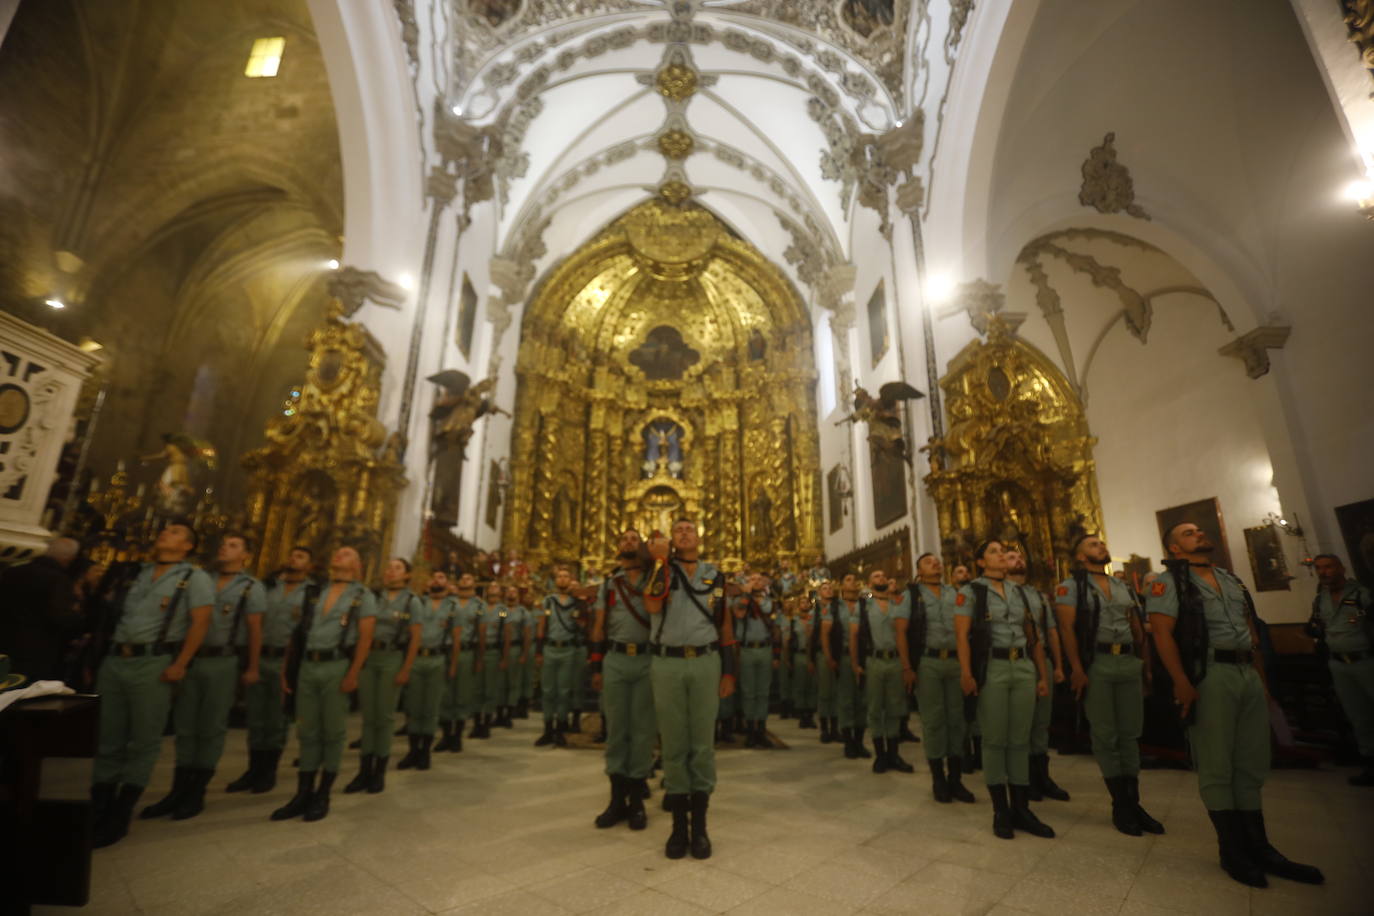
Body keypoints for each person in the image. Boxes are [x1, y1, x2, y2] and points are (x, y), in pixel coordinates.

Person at [1148, 522, 1322, 888]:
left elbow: (1251, 633)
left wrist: (1261, 679)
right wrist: (1181, 683)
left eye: (1198, 529)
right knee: (1216, 763)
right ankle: (1232, 850)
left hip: (1245, 672)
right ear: (1174, 548)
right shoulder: (1168, 582)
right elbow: (1162, 634)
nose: (1198, 533)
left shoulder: (1230, 579)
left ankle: (1261, 847)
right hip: (1210, 674)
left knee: (1250, 762)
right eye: (1188, 532)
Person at [90, 520, 215, 848]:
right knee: (108, 737)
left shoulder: (193, 578)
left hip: (154, 663)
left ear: (188, 545)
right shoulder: (136, 573)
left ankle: (120, 812)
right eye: (165, 530)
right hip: (116, 660)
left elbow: (200, 623)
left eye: (174, 532)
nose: (164, 533)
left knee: (143, 739)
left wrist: (180, 663)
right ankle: (98, 806)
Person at [142, 533, 265, 822]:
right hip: (192, 659)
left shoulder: (250, 587)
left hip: (222, 661)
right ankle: (177, 789)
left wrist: (253, 667)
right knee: (185, 725)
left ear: (245, 555)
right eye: (223, 543)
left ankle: (196, 791)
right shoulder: (199, 579)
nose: (224, 547)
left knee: (210, 726)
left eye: (233, 545)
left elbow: (255, 629)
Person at [1055, 534, 1162, 835]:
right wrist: (1076, 668)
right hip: (1098, 663)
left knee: (1130, 734)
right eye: (1091, 544)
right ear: (1079, 556)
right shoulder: (1070, 588)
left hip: (1128, 661)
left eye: (1101, 543)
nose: (1100, 547)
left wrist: (1146, 666)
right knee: (1106, 735)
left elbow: (1136, 625)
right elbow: (1066, 630)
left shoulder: (1122, 585)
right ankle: (1120, 805)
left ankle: (1134, 802)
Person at [644, 520, 736, 860]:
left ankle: (700, 827)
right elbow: (652, 605)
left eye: (689, 529)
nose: (683, 533)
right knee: (674, 744)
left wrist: (728, 669)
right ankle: (678, 828)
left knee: (702, 745)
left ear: (699, 537)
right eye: (677, 529)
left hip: (705, 662)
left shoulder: (714, 577)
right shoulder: (661, 572)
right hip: (667, 663)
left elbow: (721, 618)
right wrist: (658, 561)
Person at [956, 539, 1053, 840]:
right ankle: (1001, 810)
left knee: (1019, 739)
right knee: (996, 739)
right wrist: (967, 673)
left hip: (1022, 666)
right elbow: (961, 635)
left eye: (1002, 551)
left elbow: (1032, 635)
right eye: (994, 552)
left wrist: (1040, 675)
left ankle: (1022, 808)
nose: (1001, 556)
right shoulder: (970, 591)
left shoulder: (1021, 593)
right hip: (993, 667)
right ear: (982, 562)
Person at [272, 547, 377, 823]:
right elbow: (297, 634)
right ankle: (301, 794)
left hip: (337, 665)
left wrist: (353, 673)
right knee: (307, 730)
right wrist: (287, 670)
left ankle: (323, 794)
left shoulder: (362, 596)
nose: (339, 554)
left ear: (357, 564)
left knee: (332, 731)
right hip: (308, 665)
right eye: (338, 552)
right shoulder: (314, 592)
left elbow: (365, 638)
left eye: (347, 553)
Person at [228, 545, 315, 794]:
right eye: (292, 554)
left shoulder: (310, 593)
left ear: (309, 566)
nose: (293, 558)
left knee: (277, 718)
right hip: (260, 656)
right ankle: (252, 769)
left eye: (300, 556)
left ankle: (269, 771)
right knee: (255, 717)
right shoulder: (266, 587)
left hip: (284, 661)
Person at [589, 528, 654, 830]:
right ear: (617, 547)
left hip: (646, 660)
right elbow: (599, 627)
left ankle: (637, 801)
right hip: (615, 659)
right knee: (616, 729)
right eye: (624, 539)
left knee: (641, 731)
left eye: (634, 539)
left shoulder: (654, 580)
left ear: (641, 547)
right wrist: (595, 666)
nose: (629, 542)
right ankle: (616, 799)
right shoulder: (610, 584)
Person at [345, 558, 422, 794]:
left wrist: (406, 668)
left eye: (397, 568)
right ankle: (363, 770)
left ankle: (379, 771)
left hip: (392, 658)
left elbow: (415, 638)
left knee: (385, 717)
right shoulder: (372, 597)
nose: (390, 571)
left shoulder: (412, 601)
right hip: (370, 658)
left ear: (407, 575)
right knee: (369, 716)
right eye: (388, 566)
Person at [908, 553, 975, 803]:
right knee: (935, 719)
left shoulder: (955, 592)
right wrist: (907, 667)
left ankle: (956, 779)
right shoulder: (913, 595)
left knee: (957, 719)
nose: (935, 563)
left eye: (937, 560)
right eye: (928, 562)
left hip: (956, 661)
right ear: (919, 571)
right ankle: (939, 779)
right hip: (929, 662)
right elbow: (902, 631)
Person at [1006, 549, 1069, 803]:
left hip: (1043, 661)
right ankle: (1024, 778)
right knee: (1021, 724)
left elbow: (1051, 632)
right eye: (1011, 557)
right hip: (1016, 662)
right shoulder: (1000, 594)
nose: (1018, 560)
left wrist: (1058, 666)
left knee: (1041, 723)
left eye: (1021, 557)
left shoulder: (1038, 596)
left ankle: (1042, 776)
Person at [1308, 554, 1374, 785]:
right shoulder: (1320, 599)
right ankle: (1370, 763)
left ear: (1341, 568)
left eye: (1328, 567)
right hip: (1339, 664)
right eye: (1318, 568)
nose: (1323, 572)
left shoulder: (1361, 594)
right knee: (1359, 716)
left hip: (1366, 660)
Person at [849, 569, 916, 774]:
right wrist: (855, 664)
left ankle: (894, 754)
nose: (881, 578)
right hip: (874, 661)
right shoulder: (863, 605)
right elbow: (853, 635)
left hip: (895, 660)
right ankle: (880, 755)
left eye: (883, 576)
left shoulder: (898, 602)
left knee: (895, 708)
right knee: (876, 708)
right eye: (876, 576)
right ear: (869, 583)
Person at [0, 537, 82, 682]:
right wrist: (76, 613)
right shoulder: (59, 581)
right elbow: (59, 616)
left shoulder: (13, 571)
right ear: (69, 558)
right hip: (34, 652)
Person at [401, 568, 455, 770]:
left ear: (449, 584)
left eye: (441, 577)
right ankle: (414, 749)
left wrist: (504, 615)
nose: (436, 580)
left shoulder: (458, 606)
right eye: (434, 576)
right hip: (417, 657)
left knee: (442, 704)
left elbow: (492, 621)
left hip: (442, 657)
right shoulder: (417, 603)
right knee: (414, 706)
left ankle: (452, 737)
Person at [824, 572, 870, 759]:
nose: (853, 584)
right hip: (843, 658)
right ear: (841, 586)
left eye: (855, 580)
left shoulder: (865, 605)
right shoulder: (834, 607)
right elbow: (825, 634)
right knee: (846, 700)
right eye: (848, 580)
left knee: (862, 700)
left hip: (864, 658)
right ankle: (848, 742)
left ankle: (859, 741)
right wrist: (829, 657)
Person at [535, 568, 582, 746]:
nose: (562, 579)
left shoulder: (576, 602)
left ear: (571, 580)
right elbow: (541, 626)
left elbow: (581, 624)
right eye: (559, 576)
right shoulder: (547, 602)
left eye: (566, 576)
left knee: (563, 691)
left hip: (568, 649)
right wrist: (539, 652)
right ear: (555, 580)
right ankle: (548, 728)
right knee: (548, 691)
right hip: (550, 648)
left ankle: (561, 727)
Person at [440, 573, 485, 750]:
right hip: (446, 651)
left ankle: (458, 735)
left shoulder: (482, 605)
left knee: (462, 694)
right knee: (445, 695)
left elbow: (486, 629)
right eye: (463, 577)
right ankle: (445, 735)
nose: (465, 579)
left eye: (469, 578)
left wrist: (503, 614)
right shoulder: (448, 602)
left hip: (468, 652)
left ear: (475, 583)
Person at [733, 572, 778, 748]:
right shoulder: (740, 599)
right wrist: (746, 593)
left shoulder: (767, 599)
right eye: (752, 579)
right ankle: (750, 729)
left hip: (765, 648)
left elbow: (768, 611)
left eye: (759, 579)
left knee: (763, 691)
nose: (756, 581)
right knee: (749, 691)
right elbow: (739, 613)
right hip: (747, 649)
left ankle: (761, 728)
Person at [474, 582, 504, 739]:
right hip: (479, 650)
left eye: (496, 586)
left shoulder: (502, 611)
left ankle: (486, 722)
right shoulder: (480, 607)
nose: (493, 588)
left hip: (493, 650)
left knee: (490, 688)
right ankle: (476, 722)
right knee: (477, 688)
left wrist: (504, 656)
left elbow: (505, 629)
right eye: (491, 586)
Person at [812, 581, 840, 744]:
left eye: (830, 588)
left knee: (836, 691)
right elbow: (812, 636)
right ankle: (824, 728)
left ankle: (835, 728)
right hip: (823, 654)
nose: (828, 590)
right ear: (819, 593)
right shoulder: (816, 610)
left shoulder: (838, 607)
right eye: (824, 588)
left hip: (836, 652)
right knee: (824, 692)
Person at [500, 583, 531, 726]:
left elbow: (527, 634)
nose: (511, 594)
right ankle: (500, 711)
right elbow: (501, 623)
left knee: (513, 681)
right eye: (509, 591)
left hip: (515, 647)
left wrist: (524, 653)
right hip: (501, 648)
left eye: (514, 591)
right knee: (501, 681)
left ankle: (510, 710)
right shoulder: (503, 610)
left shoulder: (523, 612)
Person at [788, 596, 818, 729]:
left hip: (811, 655)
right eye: (802, 602)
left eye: (807, 602)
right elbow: (789, 640)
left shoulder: (814, 620)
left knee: (812, 685)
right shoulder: (794, 621)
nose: (804, 605)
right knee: (800, 685)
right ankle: (802, 715)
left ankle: (810, 715)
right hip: (799, 654)